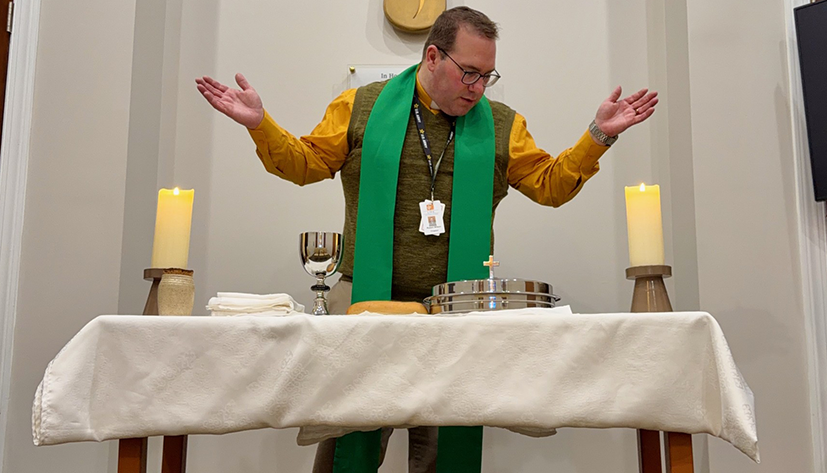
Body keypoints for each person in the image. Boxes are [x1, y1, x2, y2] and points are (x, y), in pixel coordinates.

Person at [197, 6, 656, 473]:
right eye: (469, 73)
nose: (477, 88)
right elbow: (304, 163)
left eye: (487, 76)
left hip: (455, 313)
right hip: (364, 305)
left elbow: (550, 185)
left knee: (440, 452)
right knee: (348, 444)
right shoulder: (361, 106)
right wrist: (260, 124)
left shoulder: (502, 125)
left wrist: (599, 135)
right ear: (433, 57)